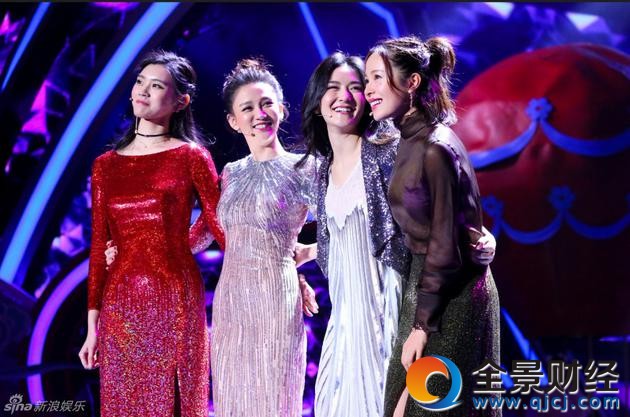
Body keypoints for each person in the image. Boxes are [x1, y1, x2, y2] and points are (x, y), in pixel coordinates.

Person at [298, 52, 496, 417]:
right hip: (346, 316)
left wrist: (482, 236)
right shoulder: (321, 170)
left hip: (390, 301)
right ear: (316, 100)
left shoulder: (388, 151)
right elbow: (342, 233)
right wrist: (304, 256)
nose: (345, 96)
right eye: (333, 87)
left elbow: (438, 215)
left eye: (356, 87)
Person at [78, 50, 225, 417]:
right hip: (121, 304)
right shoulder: (105, 166)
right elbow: (97, 248)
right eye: (140, 82)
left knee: (174, 403)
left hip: (175, 298)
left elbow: (218, 222)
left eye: (157, 86)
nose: (143, 90)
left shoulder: (191, 156)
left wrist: (179, 246)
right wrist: (92, 327)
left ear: (181, 101)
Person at [364, 36, 501, 417]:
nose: (368, 89)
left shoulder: (436, 147)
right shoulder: (406, 139)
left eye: (377, 77)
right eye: (367, 79)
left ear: (411, 82)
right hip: (424, 288)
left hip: (451, 295)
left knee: (427, 407)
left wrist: (422, 326)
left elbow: (445, 241)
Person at [207, 58, 319, 417]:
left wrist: (302, 255)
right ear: (233, 121)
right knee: (232, 402)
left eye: (267, 103)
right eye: (248, 108)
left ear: (282, 109)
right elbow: (211, 234)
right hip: (230, 303)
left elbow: (346, 226)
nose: (260, 114)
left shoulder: (305, 167)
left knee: (274, 399)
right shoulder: (230, 173)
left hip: (275, 299)